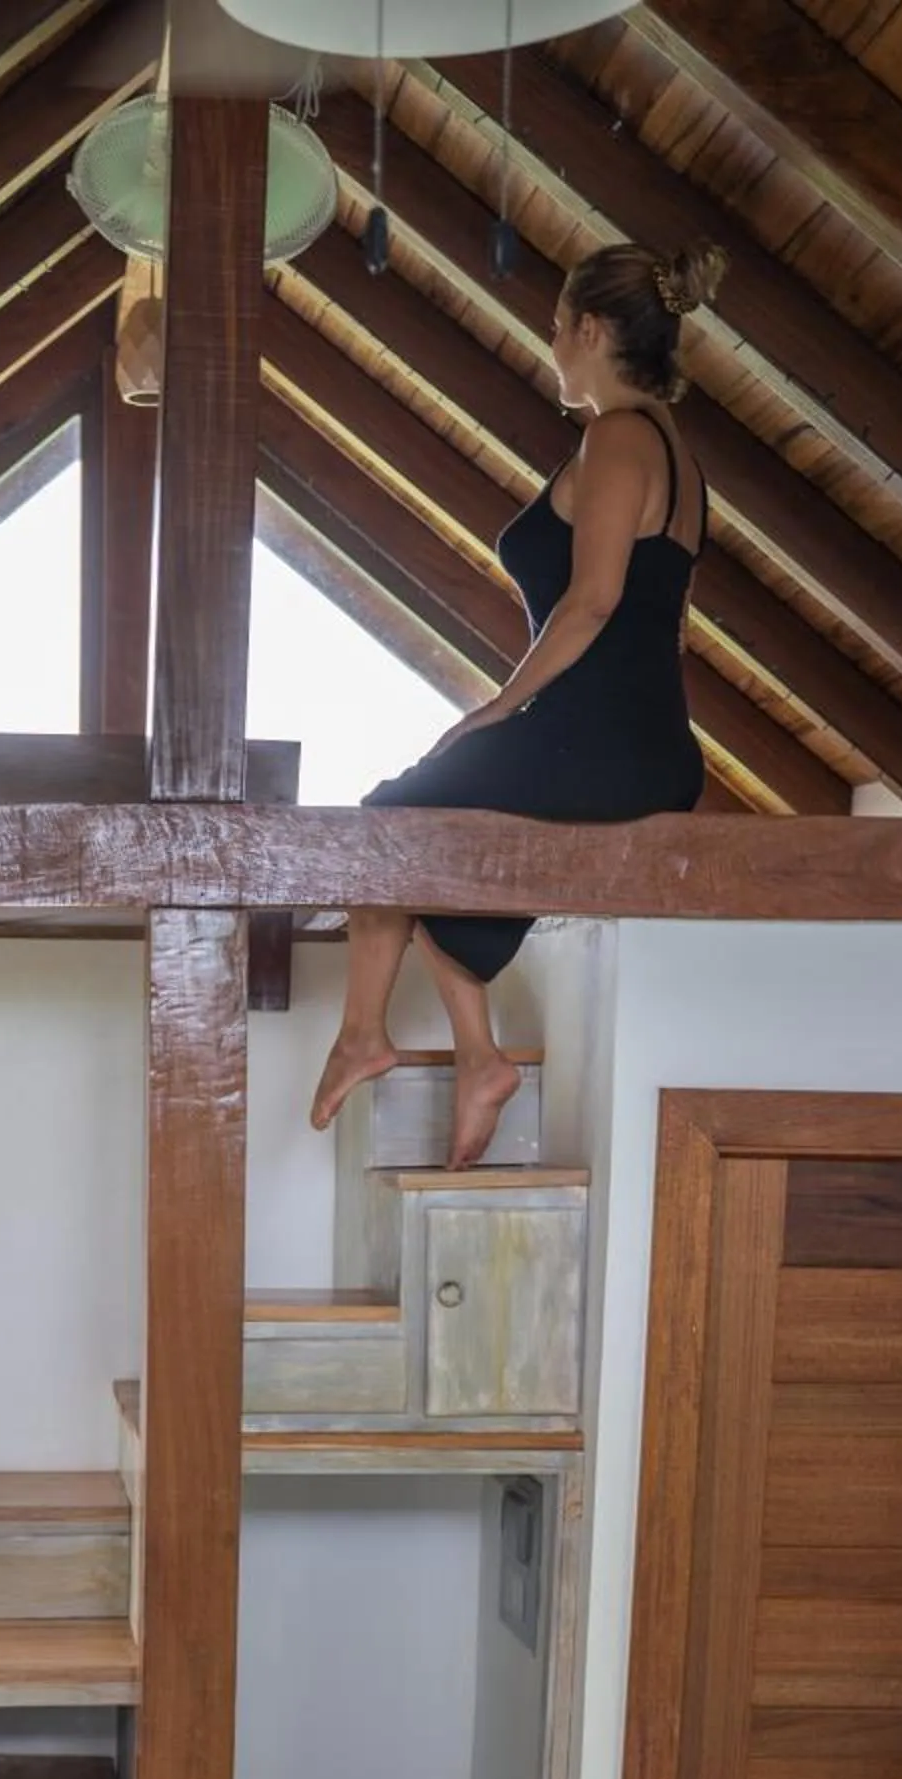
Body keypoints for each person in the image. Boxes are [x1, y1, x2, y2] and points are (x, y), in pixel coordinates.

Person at [311, 239, 727, 1169]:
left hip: (605, 740)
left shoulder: (619, 437)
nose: (553, 348)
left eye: (555, 329)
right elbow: (661, 626)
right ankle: (476, 1059)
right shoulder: (677, 456)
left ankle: (370, 1038)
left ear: (591, 330)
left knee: (389, 820)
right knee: (429, 830)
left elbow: (595, 602)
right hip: (635, 740)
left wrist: (497, 709)